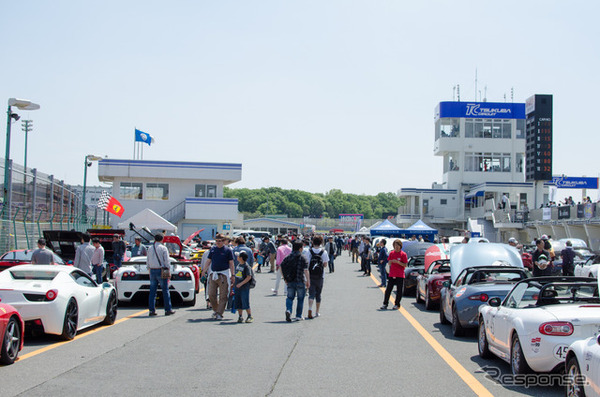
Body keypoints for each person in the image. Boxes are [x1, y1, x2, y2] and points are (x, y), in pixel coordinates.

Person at [201, 233, 235, 320]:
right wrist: (203, 271)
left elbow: (231, 263)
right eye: (216, 241)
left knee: (223, 295)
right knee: (211, 294)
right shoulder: (213, 249)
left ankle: (220, 313)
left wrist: (233, 275)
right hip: (213, 273)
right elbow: (208, 261)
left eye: (220, 241)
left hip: (224, 274)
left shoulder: (228, 250)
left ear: (224, 242)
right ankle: (216, 310)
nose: (218, 243)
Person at [147, 233, 175, 316]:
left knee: (152, 291)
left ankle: (151, 310)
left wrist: (149, 269)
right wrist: (168, 270)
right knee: (165, 290)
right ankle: (168, 309)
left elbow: (148, 260)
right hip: (161, 270)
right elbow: (167, 261)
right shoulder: (163, 248)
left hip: (152, 270)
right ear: (162, 239)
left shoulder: (150, 248)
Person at [282, 241, 310, 322]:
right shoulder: (303, 257)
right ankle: (298, 315)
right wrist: (308, 281)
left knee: (290, 297)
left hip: (290, 280)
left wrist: (285, 278)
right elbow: (306, 270)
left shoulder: (288, 257)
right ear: (301, 248)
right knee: (300, 299)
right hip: (300, 280)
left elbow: (282, 266)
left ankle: (289, 310)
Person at [305, 235, 329, 319]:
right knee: (318, 294)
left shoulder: (309, 251)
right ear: (321, 243)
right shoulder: (324, 252)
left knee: (311, 293)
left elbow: (307, 263)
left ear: (312, 242)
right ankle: (317, 312)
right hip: (320, 276)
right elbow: (325, 264)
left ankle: (310, 308)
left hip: (311, 275)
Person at [381, 239, 407, 310]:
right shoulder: (392, 253)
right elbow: (389, 262)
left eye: (397, 245)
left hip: (400, 274)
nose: (396, 247)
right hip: (392, 274)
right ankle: (385, 303)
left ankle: (397, 304)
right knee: (388, 290)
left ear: (400, 246)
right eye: (395, 245)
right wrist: (391, 262)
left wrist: (398, 262)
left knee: (399, 290)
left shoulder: (403, 254)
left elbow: (405, 265)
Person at [234, 251, 253, 323]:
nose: (237, 257)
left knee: (245, 301)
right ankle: (240, 316)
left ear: (241, 258)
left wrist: (241, 284)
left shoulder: (246, 266)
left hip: (244, 287)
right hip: (237, 287)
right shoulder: (238, 265)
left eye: (238, 256)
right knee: (238, 302)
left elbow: (248, 277)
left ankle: (249, 315)